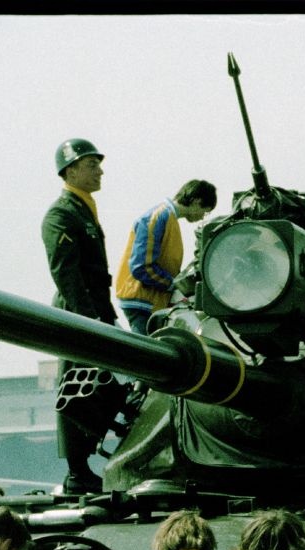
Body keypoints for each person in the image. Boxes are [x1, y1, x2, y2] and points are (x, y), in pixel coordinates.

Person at [43, 138, 118, 493]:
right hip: (77, 313)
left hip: (93, 311)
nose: (99, 170)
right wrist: (87, 321)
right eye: (91, 164)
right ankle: (76, 471)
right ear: (71, 171)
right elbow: (67, 275)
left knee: (99, 387)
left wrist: (107, 316)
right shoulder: (62, 214)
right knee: (76, 389)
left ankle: (86, 464)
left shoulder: (84, 209)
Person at [114, 179, 218, 335]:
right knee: (144, 354)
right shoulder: (159, 216)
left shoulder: (170, 219)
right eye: (205, 211)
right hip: (141, 300)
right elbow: (141, 267)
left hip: (151, 300)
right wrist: (174, 285)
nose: (203, 217)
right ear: (197, 201)